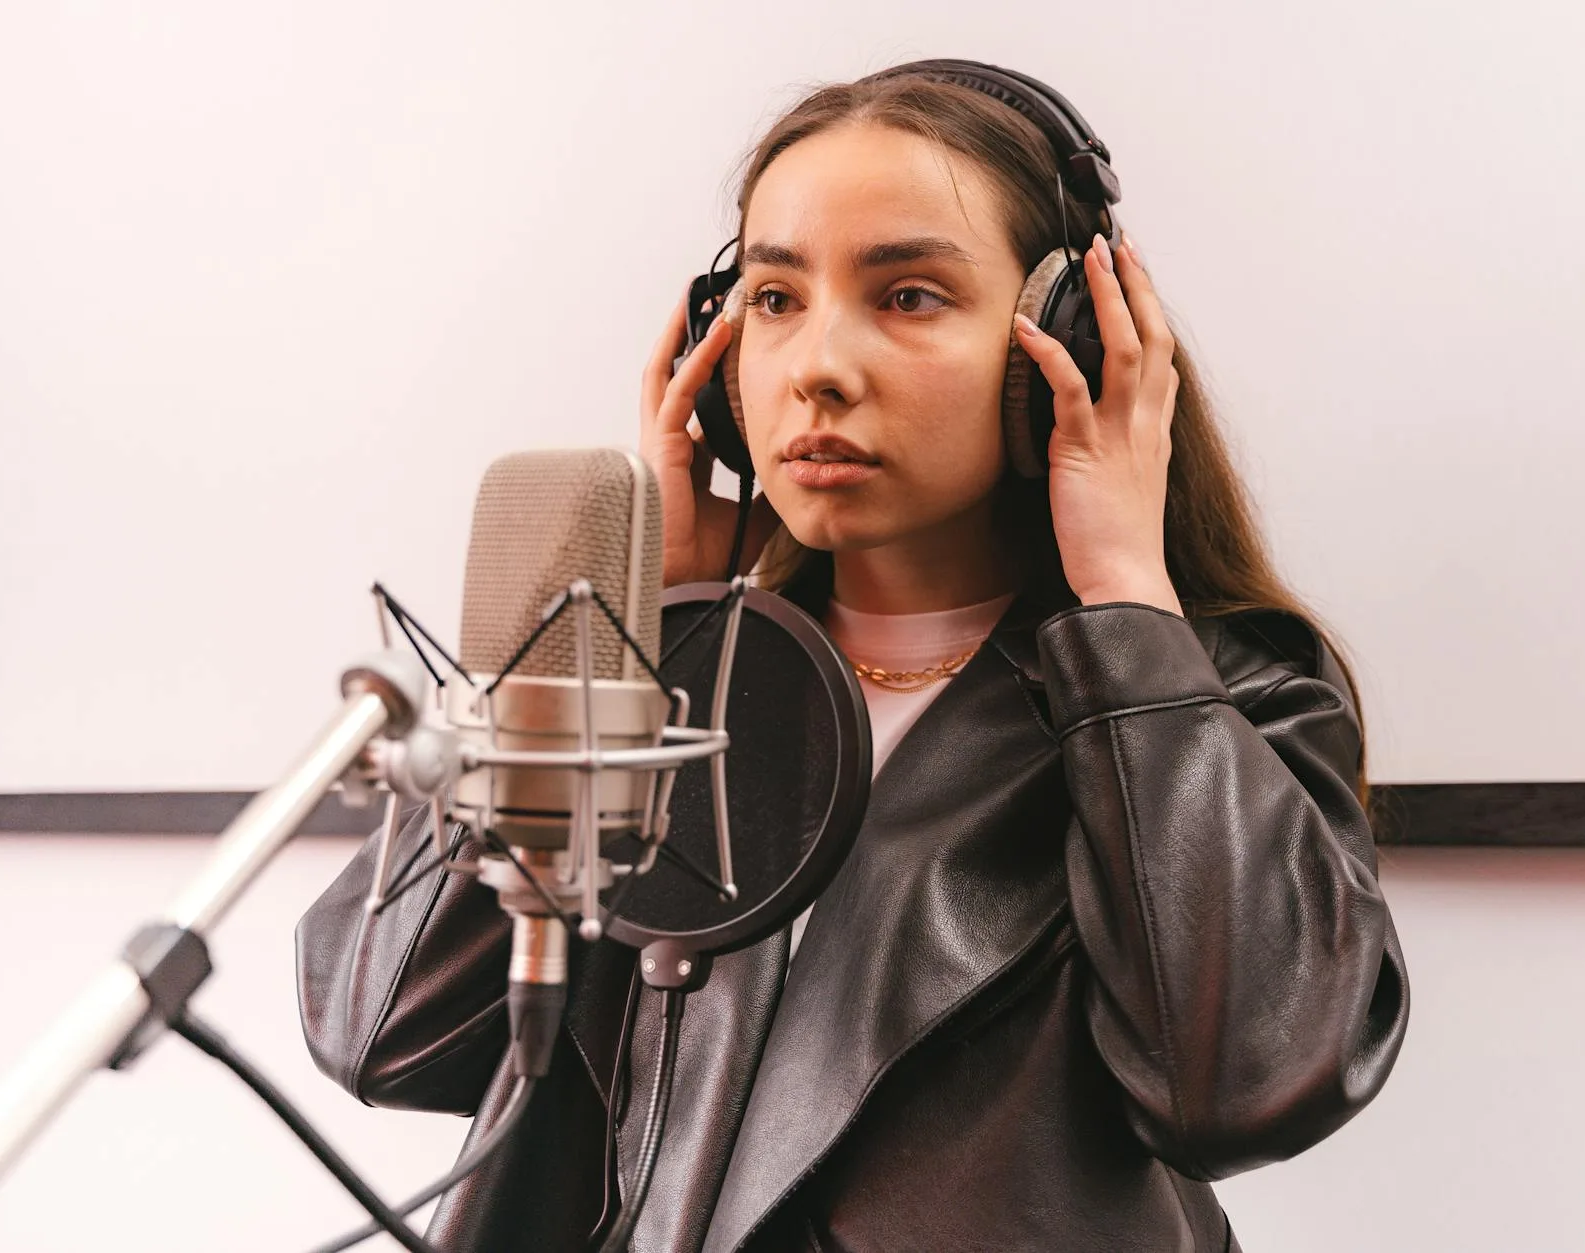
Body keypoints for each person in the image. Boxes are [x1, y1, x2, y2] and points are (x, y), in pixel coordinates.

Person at [296, 61, 1409, 1253]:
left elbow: (1244, 1080)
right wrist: (625, 627)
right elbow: (386, 1029)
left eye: (910, 295)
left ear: (1066, 344)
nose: (815, 364)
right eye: (774, 299)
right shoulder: (672, 682)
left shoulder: (1214, 700)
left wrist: (1127, 604)